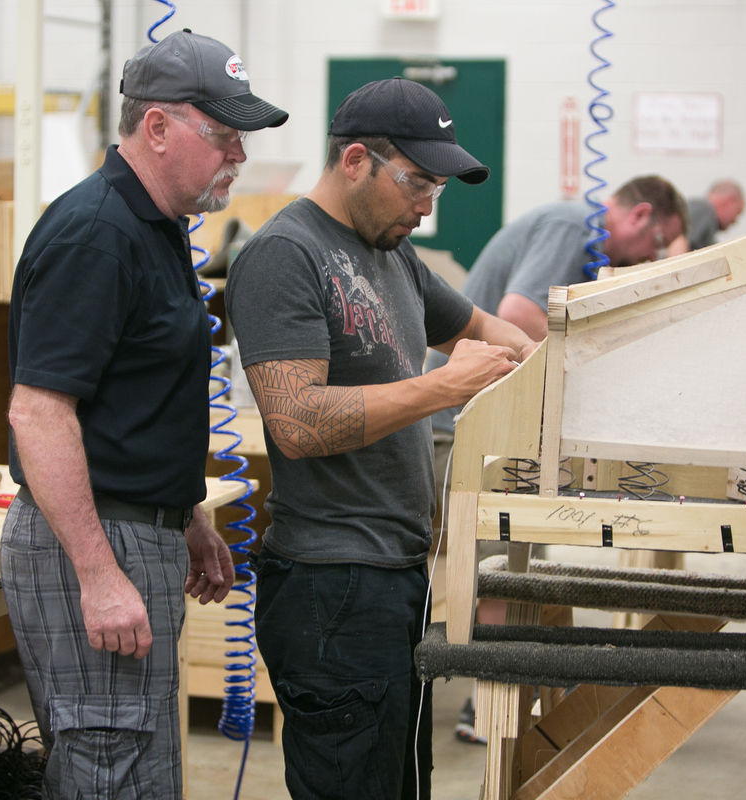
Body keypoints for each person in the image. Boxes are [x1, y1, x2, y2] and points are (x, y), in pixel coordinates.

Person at [224, 78, 536, 800]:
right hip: (331, 587)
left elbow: (485, 327)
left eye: (439, 189)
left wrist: (534, 361)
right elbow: (296, 422)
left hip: (394, 579)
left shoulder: (391, 252)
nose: (427, 207)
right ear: (357, 159)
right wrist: (447, 385)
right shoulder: (286, 255)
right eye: (417, 183)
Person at [1, 29, 287, 799]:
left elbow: (130, 399)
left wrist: (185, 513)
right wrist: (98, 574)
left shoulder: (155, 229)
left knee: (142, 771)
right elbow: (39, 413)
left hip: (138, 529)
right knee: (109, 770)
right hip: (91, 540)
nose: (239, 155)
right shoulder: (96, 234)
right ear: (156, 128)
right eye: (223, 135)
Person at [422, 177, 687, 742]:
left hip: (491, 425)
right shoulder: (574, 226)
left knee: (521, 550)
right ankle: (489, 709)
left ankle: (523, 687)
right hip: (460, 427)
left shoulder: (582, 238)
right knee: (499, 554)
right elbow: (517, 312)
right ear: (640, 215)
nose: (653, 258)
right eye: (658, 244)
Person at [668, 179, 746, 254]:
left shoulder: (708, 227)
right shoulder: (704, 208)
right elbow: (678, 239)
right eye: (737, 213)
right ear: (730, 201)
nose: (734, 221)